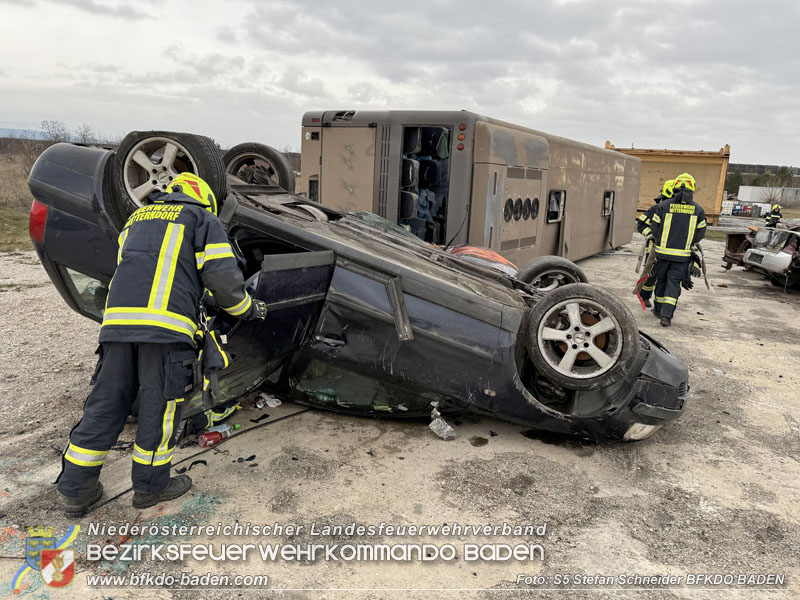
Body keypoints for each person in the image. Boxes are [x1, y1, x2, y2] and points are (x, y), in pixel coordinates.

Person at [56, 173, 268, 517]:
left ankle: (77, 489)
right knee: (161, 407)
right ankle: (151, 487)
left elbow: (144, 270)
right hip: (166, 332)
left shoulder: (135, 220)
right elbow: (222, 280)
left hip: (117, 329)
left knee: (106, 403)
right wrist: (248, 308)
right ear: (203, 197)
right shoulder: (201, 217)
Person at [648, 172, 707, 327]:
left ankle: (658, 309)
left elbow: (654, 227)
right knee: (673, 284)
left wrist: (661, 240)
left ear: (675, 186)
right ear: (693, 188)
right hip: (681, 257)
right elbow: (700, 233)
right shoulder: (698, 210)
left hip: (662, 254)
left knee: (661, 281)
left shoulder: (663, 206)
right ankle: (666, 317)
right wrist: (688, 242)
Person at [636, 179, 674, 307]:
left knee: (667, 277)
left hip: (672, 250)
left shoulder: (680, 211)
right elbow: (641, 224)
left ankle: (662, 302)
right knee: (651, 275)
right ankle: (645, 296)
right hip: (654, 248)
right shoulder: (657, 209)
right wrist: (650, 234)